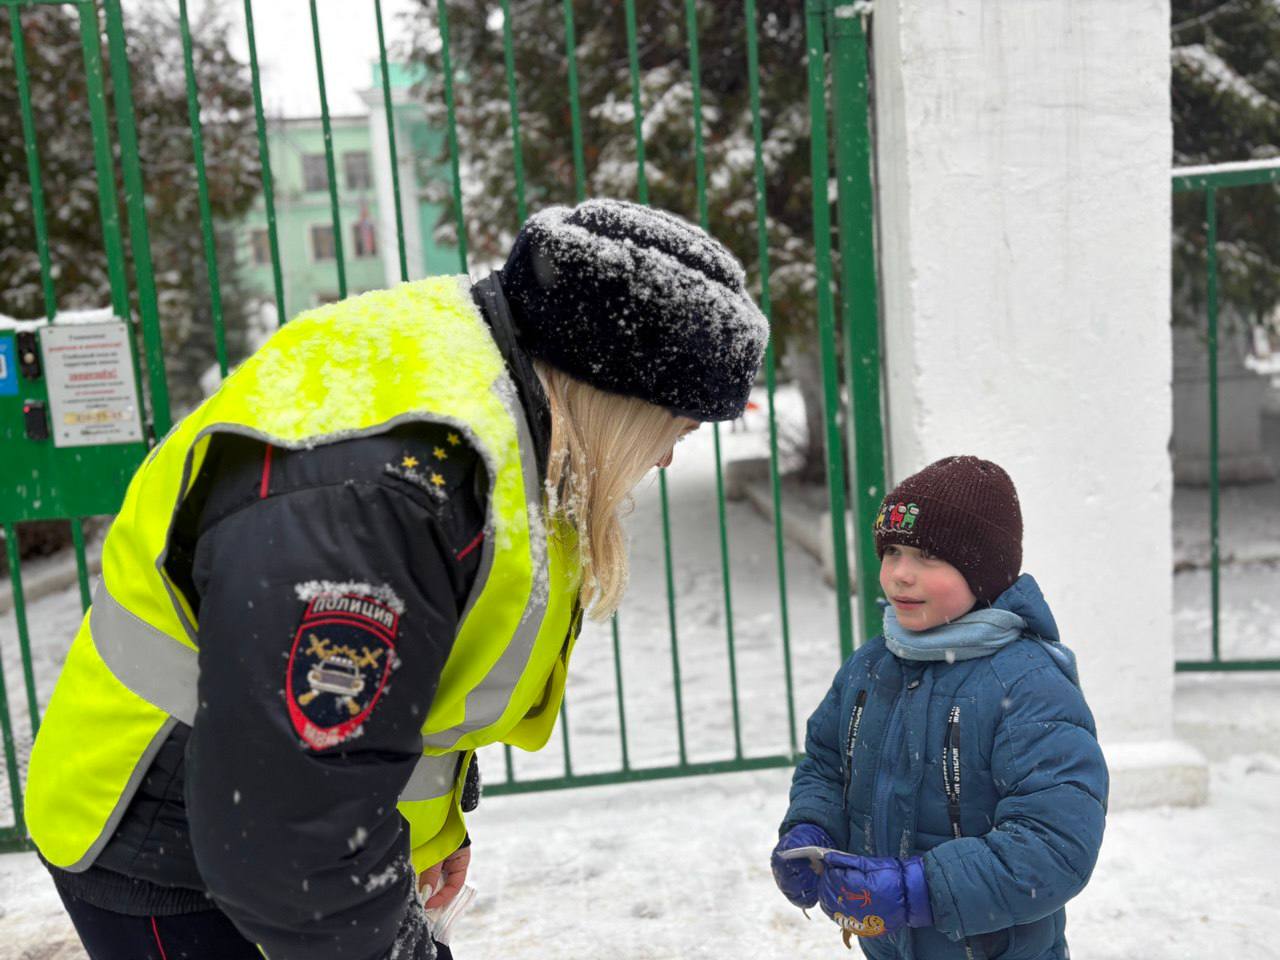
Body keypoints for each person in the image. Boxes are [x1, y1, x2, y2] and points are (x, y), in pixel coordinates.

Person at [24, 198, 768, 960]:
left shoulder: (493, 378)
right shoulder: (384, 497)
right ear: (614, 399)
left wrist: (429, 826)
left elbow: (411, 677)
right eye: (673, 430)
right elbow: (286, 847)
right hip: (171, 855)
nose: (670, 457)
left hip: (251, 826)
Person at [771, 456, 1108, 959]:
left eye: (928, 557)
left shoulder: (1029, 684)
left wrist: (920, 891)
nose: (901, 575)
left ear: (983, 573)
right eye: (893, 552)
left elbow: (1054, 844)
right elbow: (826, 765)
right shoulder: (871, 665)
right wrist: (811, 828)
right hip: (888, 946)